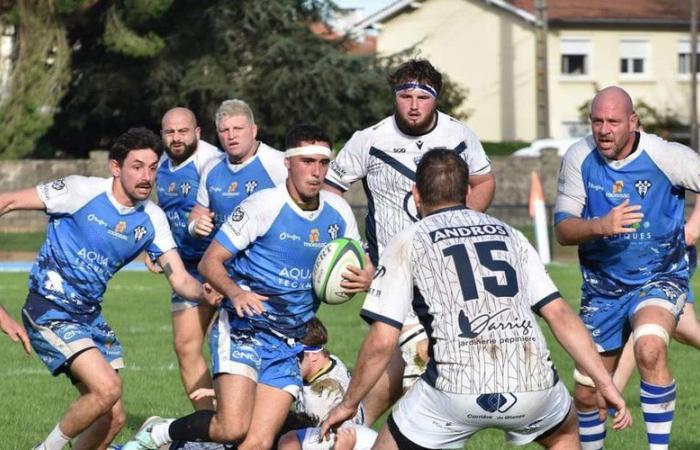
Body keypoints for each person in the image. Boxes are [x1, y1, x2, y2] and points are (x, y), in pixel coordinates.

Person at [320, 148, 631, 449]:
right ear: (467, 192)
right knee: (564, 435)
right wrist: (604, 382)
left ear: (415, 194)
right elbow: (559, 314)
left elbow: (382, 341)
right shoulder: (511, 234)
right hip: (531, 383)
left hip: (454, 391)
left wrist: (349, 404)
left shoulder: (408, 241)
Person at [123, 125, 368, 450]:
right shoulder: (263, 206)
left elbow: (362, 264)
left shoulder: (338, 212)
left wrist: (366, 278)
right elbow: (211, 261)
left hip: (289, 343)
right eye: (307, 161)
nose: (316, 171)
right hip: (244, 330)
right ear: (288, 163)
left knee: (258, 442)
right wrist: (236, 293)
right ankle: (161, 433)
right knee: (231, 427)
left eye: (323, 163)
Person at [0, 127, 220, 450]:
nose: (146, 176)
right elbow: (7, 201)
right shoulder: (79, 191)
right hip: (49, 309)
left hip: (88, 317)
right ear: (115, 168)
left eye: (152, 167)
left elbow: (180, 279)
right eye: (136, 166)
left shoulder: (152, 219)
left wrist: (206, 292)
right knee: (107, 388)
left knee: (113, 418)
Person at [324, 58, 496, 422]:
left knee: (404, 366)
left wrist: (465, 223)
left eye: (423, 96)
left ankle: (350, 428)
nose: (414, 104)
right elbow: (330, 193)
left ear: (436, 99)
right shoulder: (369, 140)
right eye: (405, 95)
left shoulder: (458, 135)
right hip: (393, 273)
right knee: (421, 356)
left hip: (445, 271)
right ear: (394, 97)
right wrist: (356, 251)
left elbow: (483, 181)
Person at [553, 86, 700, 450]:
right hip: (603, 288)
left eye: (613, 122)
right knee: (588, 393)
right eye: (597, 121)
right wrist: (600, 226)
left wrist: (694, 226)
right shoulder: (579, 157)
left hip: (660, 276)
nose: (604, 130)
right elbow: (563, 229)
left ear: (633, 122)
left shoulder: (666, 156)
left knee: (649, 347)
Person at [155, 107, 222, 411]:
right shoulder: (157, 166)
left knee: (230, 347)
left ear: (197, 132)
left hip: (223, 266)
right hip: (186, 270)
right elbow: (155, 211)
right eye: (170, 132)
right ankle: (209, 425)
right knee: (185, 346)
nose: (176, 138)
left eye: (183, 131)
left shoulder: (213, 162)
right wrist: (154, 248)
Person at [187, 99, 286, 244]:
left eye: (238, 128)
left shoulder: (279, 163)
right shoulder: (212, 167)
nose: (231, 136)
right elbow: (199, 211)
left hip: (267, 263)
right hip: (224, 262)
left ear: (253, 131)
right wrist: (194, 226)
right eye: (224, 130)